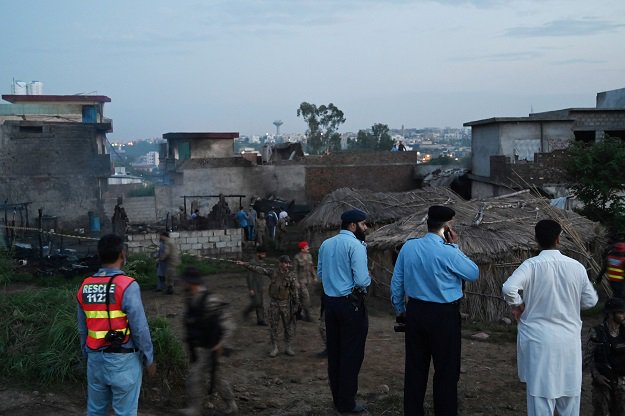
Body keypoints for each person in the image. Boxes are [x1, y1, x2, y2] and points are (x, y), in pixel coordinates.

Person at [502, 219, 598, 416]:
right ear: (558, 239)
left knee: (540, 397)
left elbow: (509, 288)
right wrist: (569, 303)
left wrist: (517, 305)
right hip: (568, 341)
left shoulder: (531, 265)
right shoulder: (576, 267)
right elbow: (590, 301)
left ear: (536, 239)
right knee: (570, 396)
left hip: (539, 341)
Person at [390, 205, 479, 416]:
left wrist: (400, 310)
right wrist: (455, 246)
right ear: (448, 227)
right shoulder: (448, 252)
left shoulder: (408, 247)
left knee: (415, 369)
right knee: (446, 371)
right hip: (444, 316)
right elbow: (473, 273)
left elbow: (397, 283)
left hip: (416, 312)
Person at [76, 234, 156, 416]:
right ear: (122, 254)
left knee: (95, 411)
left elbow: (83, 328)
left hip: (95, 360)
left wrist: (86, 354)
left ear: (99, 254)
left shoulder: (85, 286)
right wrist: (149, 357)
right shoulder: (127, 285)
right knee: (125, 412)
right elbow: (140, 328)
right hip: (123, 361)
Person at [317, 209, 371, 414]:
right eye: (363, 224)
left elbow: (320, 274)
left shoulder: (326, 244)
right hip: (351, 305)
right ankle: (347, 404)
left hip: (330, 305)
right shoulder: (355, 246)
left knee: (335, 352)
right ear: (352, 226)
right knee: (351, 354)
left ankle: (338, 400)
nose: (365, 228)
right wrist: (368, 280)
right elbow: (361, 280)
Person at [179, 267, 238, 416]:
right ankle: (196, 407)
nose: (182, 284)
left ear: (191, 282)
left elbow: (229, 324)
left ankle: (228, 405)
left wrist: (222, 344)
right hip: (200, 345)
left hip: (212, 345)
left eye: (185, 281)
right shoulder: (190, 297)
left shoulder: (210, 300)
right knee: (199, 376)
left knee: (213, 377)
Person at [238, 255, 299, 357]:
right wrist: (245, 264)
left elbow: (294, 291)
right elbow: (258, 269)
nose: (286, 265)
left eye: (288, 263)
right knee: (273, 327)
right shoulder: (273, 272)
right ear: (280, 263)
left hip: (285, 304)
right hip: (274, 304)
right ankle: (274, 347)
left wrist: (296, 305)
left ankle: (288, 347)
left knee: (288, 327)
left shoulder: (291, 275)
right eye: (284, 262)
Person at [587, 297, 625, 416]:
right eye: (620, 312)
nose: (624, 315)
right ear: (610, 314)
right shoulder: (597, 332)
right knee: (601, 412)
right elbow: (588, 358)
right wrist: (597, 376)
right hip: (603, 382)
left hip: (622, 382)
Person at [242, 246, 268, 326]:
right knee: (256, 302)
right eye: (263, 254)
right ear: (258, 253)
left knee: (260, 303)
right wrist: (251, 289)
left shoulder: (261, 262)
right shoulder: (252, 262)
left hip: (259, 285)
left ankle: (261, 320)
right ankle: (246, 311)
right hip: (254, 286)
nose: (264, 255)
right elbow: (249, 276)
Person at [294, 241, 317, 322]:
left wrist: (314, 276)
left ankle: (297, 314)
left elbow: (311, 267)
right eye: (306, 247)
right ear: (302, 248)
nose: (308, 248)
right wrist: (296, 282)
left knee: (301, 298)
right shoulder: (297, 257)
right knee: (306, 298)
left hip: (308, 281)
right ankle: (308, 316)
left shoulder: (309, 256)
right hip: (301, 281)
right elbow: (295, 271)